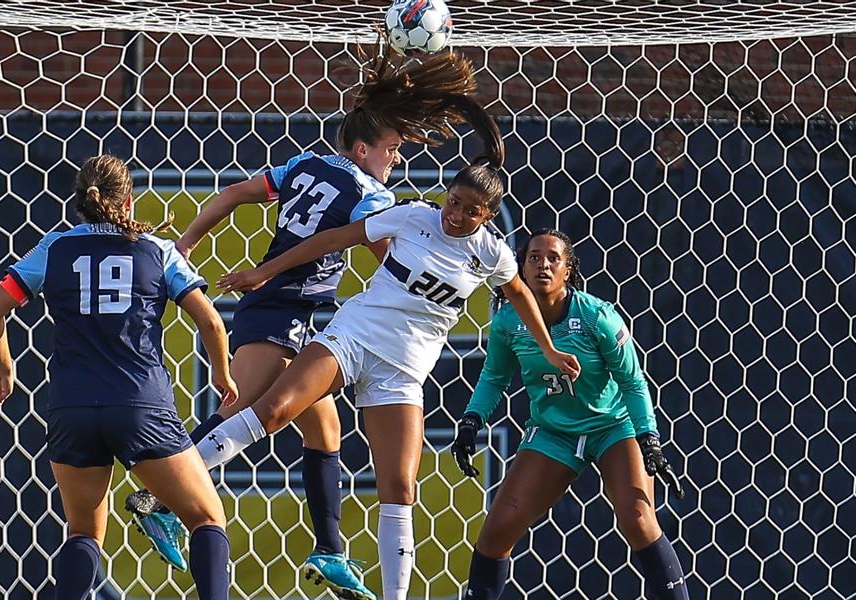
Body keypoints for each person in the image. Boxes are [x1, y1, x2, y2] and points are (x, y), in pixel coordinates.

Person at [127, 42, 488, 599]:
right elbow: (390, 261)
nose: (395, 158)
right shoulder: (372, 194)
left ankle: (329, 550)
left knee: (324, 430)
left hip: (291, 310)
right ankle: (156, 497)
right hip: (285, 307)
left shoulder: (304, 165)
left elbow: (235, 194)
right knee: (246, 406)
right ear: (364, 146)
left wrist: (187, 243)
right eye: (391, 149)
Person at [189, 103, 581, 600]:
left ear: (486, 217)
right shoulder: (414, 215)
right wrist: (263, 272)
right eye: (453, 201)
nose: (455, 214)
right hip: (354, 337)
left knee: (400, 490)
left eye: (469, 210)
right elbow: (334, 237)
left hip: (403, 370)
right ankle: (177, 479)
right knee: (272, 408)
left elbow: (521, 294)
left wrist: (546, 348)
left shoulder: (492, 252)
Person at [0, 155, 237, 600]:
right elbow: (210, 322)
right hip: (139, 404)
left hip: (71, 407)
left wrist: (4, 367)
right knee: (207, 519)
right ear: (129, 200)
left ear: (80, 202)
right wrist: (222, 372)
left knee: (83, 534)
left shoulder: (54, 248)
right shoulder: (157, 249)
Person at [450, 228, 688, 600]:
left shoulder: (598, 317)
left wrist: (649, 439)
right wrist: (471, 420)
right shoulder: (508, 323)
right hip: (552, 432)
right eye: (533, 257)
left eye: (553, 258)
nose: (543, 264)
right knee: (497, 531)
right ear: (521, 269)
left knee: (638, 519)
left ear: (568, 271)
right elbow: (494, 377)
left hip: (613, 427)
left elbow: (633, 381)